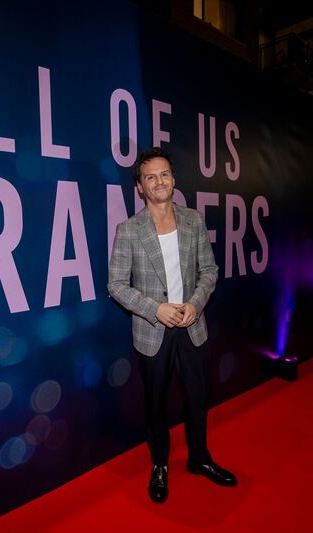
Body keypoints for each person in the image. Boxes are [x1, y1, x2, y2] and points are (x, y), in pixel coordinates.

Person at [108, 147, 236, 504]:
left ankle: (199, 458)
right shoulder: (128, 230)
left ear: (174, 179)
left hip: (192, 326)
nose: (159, 181)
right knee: (156, 403)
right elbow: (116, 285)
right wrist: (155, 309)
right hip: (153, 332)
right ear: (140, 187)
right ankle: (160, 465)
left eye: (164, 174)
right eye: (150, 177)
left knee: (198, 397)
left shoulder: (193, 220)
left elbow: (209, 271)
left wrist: (195, 304)